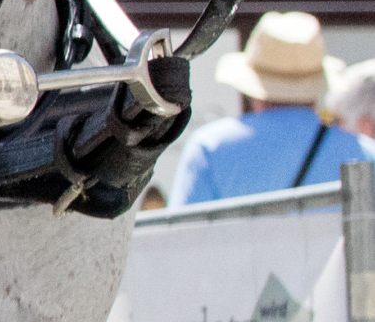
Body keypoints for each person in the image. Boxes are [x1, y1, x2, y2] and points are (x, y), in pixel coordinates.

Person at [156, 10, 372, 206]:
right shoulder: (365, 153)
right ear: (318, 87)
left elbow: (184, 241)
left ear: (252, 90)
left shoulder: (209, 149)